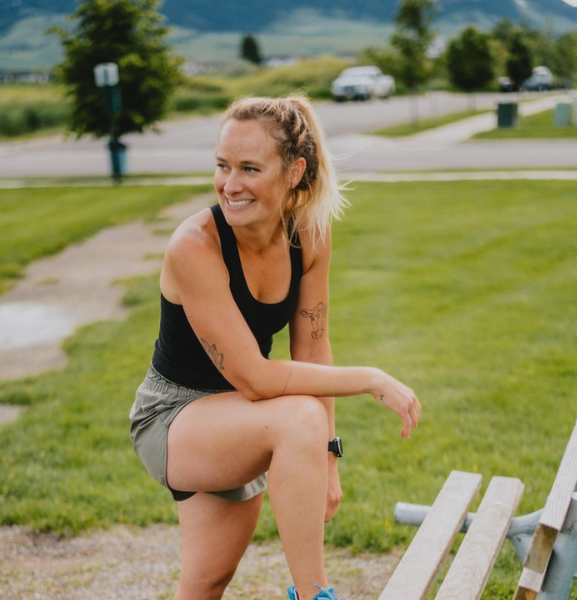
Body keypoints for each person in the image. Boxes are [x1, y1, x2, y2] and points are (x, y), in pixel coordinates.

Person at [129, 95, 422, 600]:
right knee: (298, 416)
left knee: (206, 583)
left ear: (294, 171)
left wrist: (327, 459)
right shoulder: (194, 246)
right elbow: (258, 378)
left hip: (244, 416)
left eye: (249, 168)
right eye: (222, 166)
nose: (229, 184)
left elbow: (313, 346)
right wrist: (371, 378)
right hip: (174, 416)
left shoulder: (308, 233)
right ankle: (316, 594)